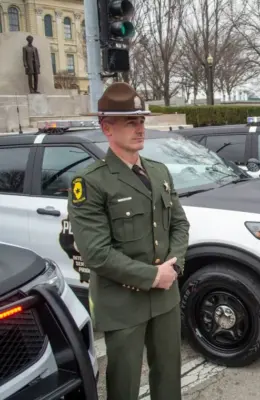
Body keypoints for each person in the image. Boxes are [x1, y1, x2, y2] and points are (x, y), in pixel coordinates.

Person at [68, 82, 190, 400]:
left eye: (141, 121)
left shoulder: (159, 172)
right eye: (130, 122)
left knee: (169, 377)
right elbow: (96, 252)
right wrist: (153, 276)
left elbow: (179, 225)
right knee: (124, 384)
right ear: (107, 127)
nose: (140, 129)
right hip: (123, 302)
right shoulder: (91, 182)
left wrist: (173, 268)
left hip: (165, 297)